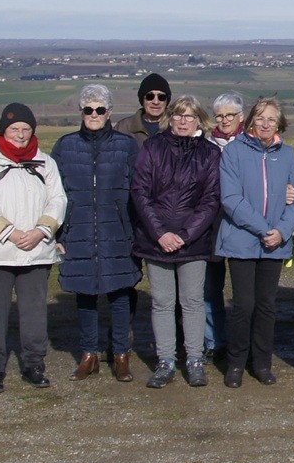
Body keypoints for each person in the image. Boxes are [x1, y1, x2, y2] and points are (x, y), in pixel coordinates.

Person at [0, 103, 67, 393]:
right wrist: (9, 233)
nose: (21, 135)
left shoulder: (45, 163)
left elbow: (58, 200)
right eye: (15, 129)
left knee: (34, 312)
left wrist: (41, 231)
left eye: (26, 129)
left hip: (36, 251)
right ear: (3, 130)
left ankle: (34, 364)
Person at [51, 84, 143, 383]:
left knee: (120, 293)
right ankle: (88, 354)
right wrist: (59, 233)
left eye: (100, 109)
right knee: (85, 294)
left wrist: (136, 230)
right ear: (81, 112)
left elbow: (139, 191)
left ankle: (120, 354)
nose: (94, 114)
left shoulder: (126, 146)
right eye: (88, 109)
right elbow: (55, 192)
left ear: (109, 112)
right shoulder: (65, 147)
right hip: (78, 229)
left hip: (118, 229)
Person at [131, 93, 221, 388]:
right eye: (179, 115)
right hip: (156, 240)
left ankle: (194, 359)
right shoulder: (152, 147)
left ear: (199, 120)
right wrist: (160, 233)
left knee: (193, 301)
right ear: (171, 118)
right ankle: (166, 360)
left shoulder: (209, 153)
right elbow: (140, 193)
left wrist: (184, 235)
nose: (184, 121)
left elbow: (210, 200)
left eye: (190, 116)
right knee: (161, 302)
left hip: (193, 242)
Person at [214, 97, 294, 387]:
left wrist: (282, 231)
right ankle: (236, 363)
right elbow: (231, 199)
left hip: (275, 242)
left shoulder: (287, 155)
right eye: (260, 118)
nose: (265, 124)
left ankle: (262, 363)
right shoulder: (234, 152)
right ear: (250, 120)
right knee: (243, 305)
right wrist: (264, 229)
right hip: (242, 239)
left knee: (266, 305)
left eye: (272, 119)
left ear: (280, 124)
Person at [202, 92, 245, 359]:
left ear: (241, 117)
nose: (225, 120)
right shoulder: (206, 144)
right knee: (210, 288)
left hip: (242, 224)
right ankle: (213, 340)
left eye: (230, 115)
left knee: (243, 293)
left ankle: (243, 342)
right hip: (211, 224)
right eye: (220, 115)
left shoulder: (252, 144)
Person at [115, 73, 169, 145]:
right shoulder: (124, 128)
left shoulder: (177, 126)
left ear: (167, 101)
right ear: (142, 100)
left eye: (161, 97)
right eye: (150, 96)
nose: (156, 102)